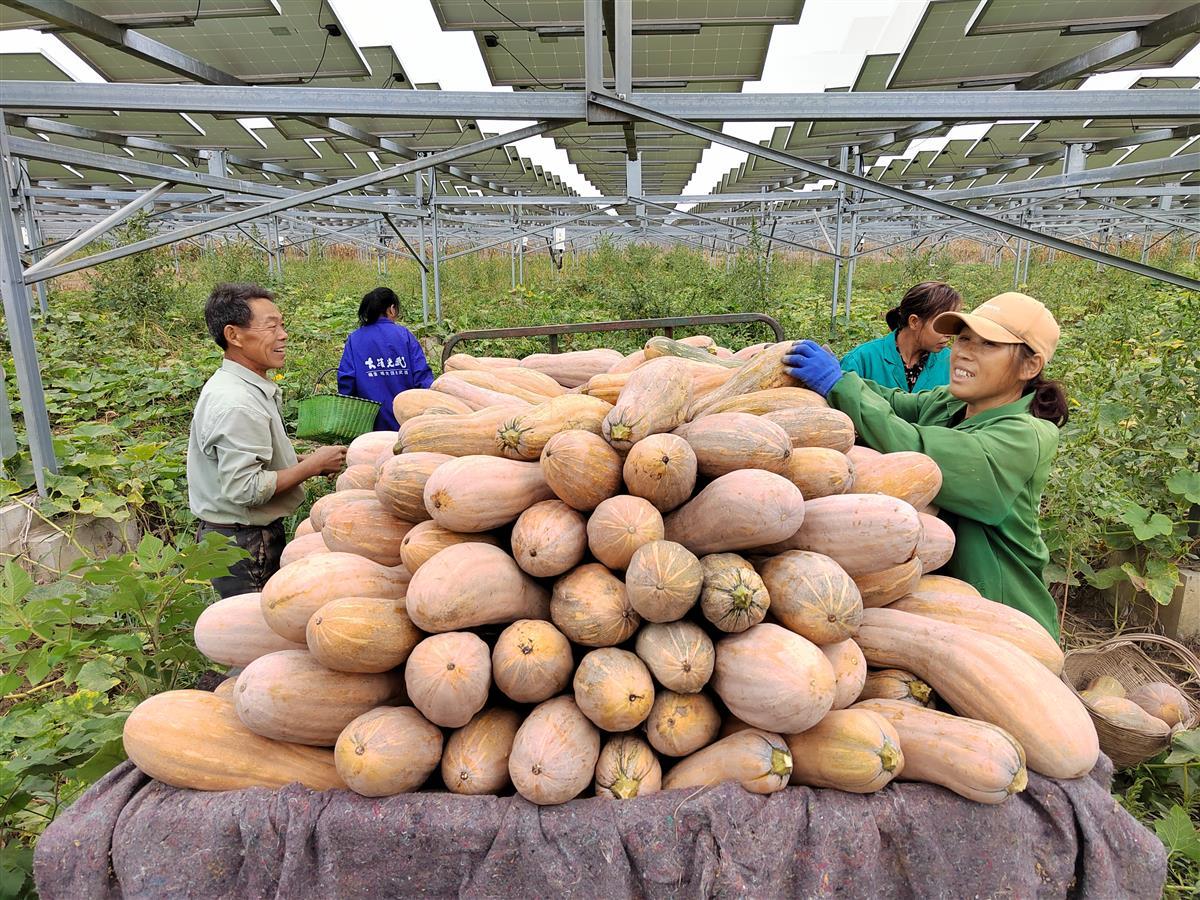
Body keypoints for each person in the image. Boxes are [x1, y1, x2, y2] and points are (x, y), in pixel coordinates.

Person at [783, 292, 1067, 638]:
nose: (964, 350)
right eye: (963, 338)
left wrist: (839, 385)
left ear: (1029, 366)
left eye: (988, 344)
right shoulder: (950, 400)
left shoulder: (1025, 436)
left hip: (1001, 613)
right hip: (936, 595)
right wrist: (840, 378)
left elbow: (919, 453)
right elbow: (889, 401)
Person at [188, 283, 347, 598]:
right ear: (234, 336)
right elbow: (245, 488)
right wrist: (312, 465)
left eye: (283, 325)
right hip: (244, 543)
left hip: (240, 537)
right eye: (271, 326)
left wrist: (304, 463)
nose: (283, 335)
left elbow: (245, 462)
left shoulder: (239, 387)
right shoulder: (237, 403)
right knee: (254, 635)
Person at [338, 287, 435, 431]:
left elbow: (346, 381)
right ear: (392, 309)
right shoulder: (404, 335)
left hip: (369, 428)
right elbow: (422, 377)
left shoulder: (355, 339)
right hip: (407, 425)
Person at [840, 281, 962, 391]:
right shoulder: (861, 360)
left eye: (951, 324)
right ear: (914, 322)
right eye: (941, 324)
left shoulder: (951, 363)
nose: (949, 334)